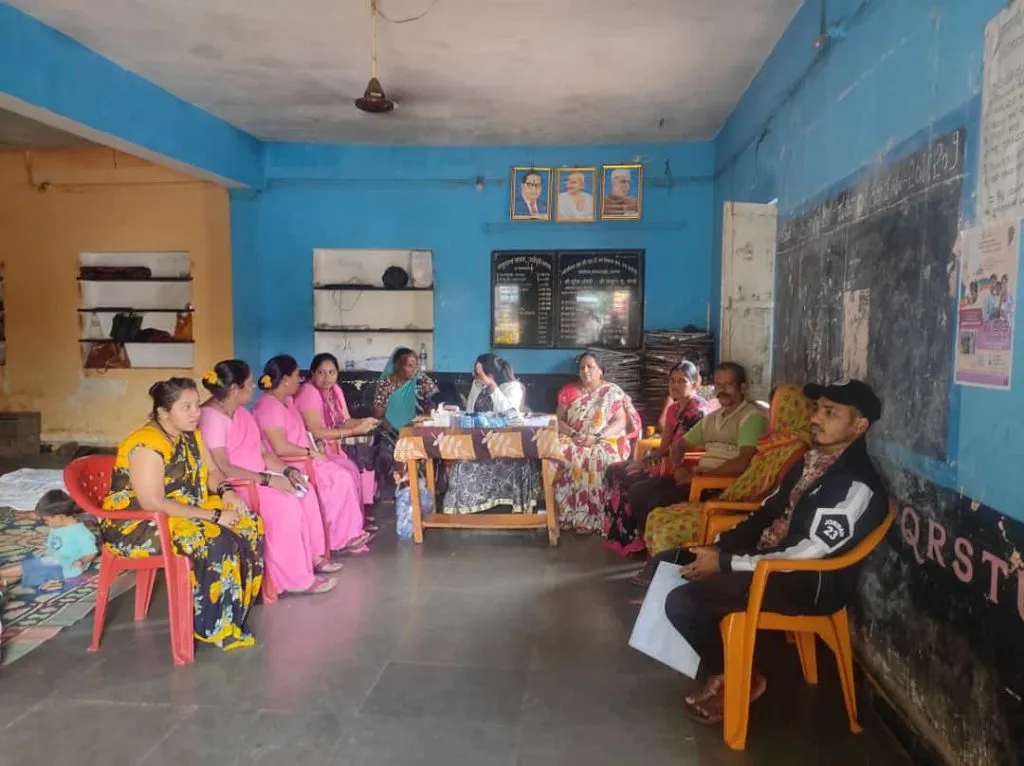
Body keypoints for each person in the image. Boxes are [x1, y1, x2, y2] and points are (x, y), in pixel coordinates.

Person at [663, 379, 888, 726]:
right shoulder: (811, 461)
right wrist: (719, 547)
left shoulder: (857, 485)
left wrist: (725, 563)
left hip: (805, 583)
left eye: (830, 413)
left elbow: (807, 554)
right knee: (670, 561)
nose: (816, 418)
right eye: (817, 409)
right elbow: (766, 512)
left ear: (859, 426)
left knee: (682, 603)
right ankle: (726, 670)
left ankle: (743, 677)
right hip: (768, 559)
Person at [102, 378, 265, 651]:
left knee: (249, 525)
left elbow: (213, 472)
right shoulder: (147, 444)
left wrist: (227, 493)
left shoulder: (191, 435)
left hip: (181, 513)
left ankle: (233, 612)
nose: (195, 413)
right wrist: (213, 516)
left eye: (196, 405)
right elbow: (152, 501)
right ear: (163, 413)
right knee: (216, 540)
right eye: (185, 407)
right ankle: (214, 627)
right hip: (138, 524)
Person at [638, 384, 812, 582]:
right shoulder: (776, 443)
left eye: (775, 409)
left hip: (741, 510)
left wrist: (717, 499)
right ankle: (656, 577)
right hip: (728, 497)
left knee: (666, 527)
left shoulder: (795, 451)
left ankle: (672, 583)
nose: (770, 415)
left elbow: (768, 495)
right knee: (656, 515)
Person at [199, 360, 339, 596]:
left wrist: (287, 471)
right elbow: (223, 467)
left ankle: (312, 559)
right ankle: (295, 579)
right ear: (235, 389)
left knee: (303, 489)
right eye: (249, 383)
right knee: (286, 507)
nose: (254, 386)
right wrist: (266, 480)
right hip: (239, 485)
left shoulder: (240, 411)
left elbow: (263, 451)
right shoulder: (212, 417)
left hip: (260, 477)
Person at [615, 363, 768, 553]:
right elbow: (679, 445)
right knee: (638, 492)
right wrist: (679, 468)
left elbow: (744, 461)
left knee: (658, 500)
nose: (722, 390)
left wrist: (702, 475)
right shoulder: (713, 418)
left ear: (743, 387)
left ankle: (667, 557)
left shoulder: (751, 417)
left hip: (721, 484)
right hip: (698, 476)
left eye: (728, 385)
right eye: (718, 385)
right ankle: (652, 552)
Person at [253, 356, 371, 555]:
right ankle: (338, 538)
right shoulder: (269, 406)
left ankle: (348, 532)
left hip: (304, 456)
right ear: (285, 380)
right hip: (291, 462)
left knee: (345, 470)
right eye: (297, 375)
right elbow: (280, 448)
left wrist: (313, 446)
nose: (301, 379)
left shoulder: (287, 401)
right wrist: (310, 453)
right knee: (339, 477)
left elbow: (303, 433)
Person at [604, 361, 710, 556]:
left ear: (695, 384)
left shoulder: (698, 411)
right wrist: (641, 461)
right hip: (666, 462)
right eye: (672, 381)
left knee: (634, 485)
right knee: (615, 470)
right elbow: (663, 448)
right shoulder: (673, 409)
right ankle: (629, 539)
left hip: (684, 468)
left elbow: (685, 450)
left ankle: (645, 544)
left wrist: (652, 464)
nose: (675, 385)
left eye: (682, 381)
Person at [553, 353, 642, 534]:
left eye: (590, 367)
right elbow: (558, 420)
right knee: (562, 454)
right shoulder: (568, 391)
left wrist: (597, 437)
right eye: (582, 367)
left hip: (604, 438)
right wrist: (573, 433)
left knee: (602, 458)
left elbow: (619, 422)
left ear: (601, 371)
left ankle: (598, 518)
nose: (585, 371)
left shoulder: (611, 392)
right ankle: (568, 517)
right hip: (573, 437)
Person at [442, 354, 540, 515]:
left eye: (478, 373)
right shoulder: (477, 385)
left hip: (507, 445)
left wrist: (492, 386)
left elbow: (511, 416)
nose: (474, 376)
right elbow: (470, 413)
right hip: (479, 443)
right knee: (459, 463)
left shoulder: (513, 387)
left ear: (491, 375)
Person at [296, 352, 379, 530]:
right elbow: (316, 432)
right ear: (312, 373)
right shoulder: (308, 393)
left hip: (332, 447)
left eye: (331, 372)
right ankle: (343, 529)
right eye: (321, 372)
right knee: (347, 472)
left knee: (354, 470)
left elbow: (344, 420)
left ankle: (356, 523)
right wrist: (353, 431)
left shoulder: (335, 391)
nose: (327, 378)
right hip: (315, 448)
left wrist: (364, 421)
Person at [372, 346, 440, 499]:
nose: (414, 369)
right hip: (391, 431)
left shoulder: (420, 379)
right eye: (409, 365)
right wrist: (395, 433)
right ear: (397, 366)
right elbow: (378, 415)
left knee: (431, 447)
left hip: (416, 429)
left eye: (415, 365)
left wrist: (429, 409)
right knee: (385, 452)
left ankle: (423, 490)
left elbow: (433, 402)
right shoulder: (385, 385)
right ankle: (391, 492)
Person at [0, 490, 97, 591]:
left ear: (60, 517)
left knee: (33, 565)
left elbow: (91, 552)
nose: (45, 522)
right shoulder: (59, 524)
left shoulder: (81, 533)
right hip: (53, 560)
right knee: (31, 569)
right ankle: (3, 582)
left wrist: (81, 561)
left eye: (46, 520)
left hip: (67, 567)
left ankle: (2, 573)